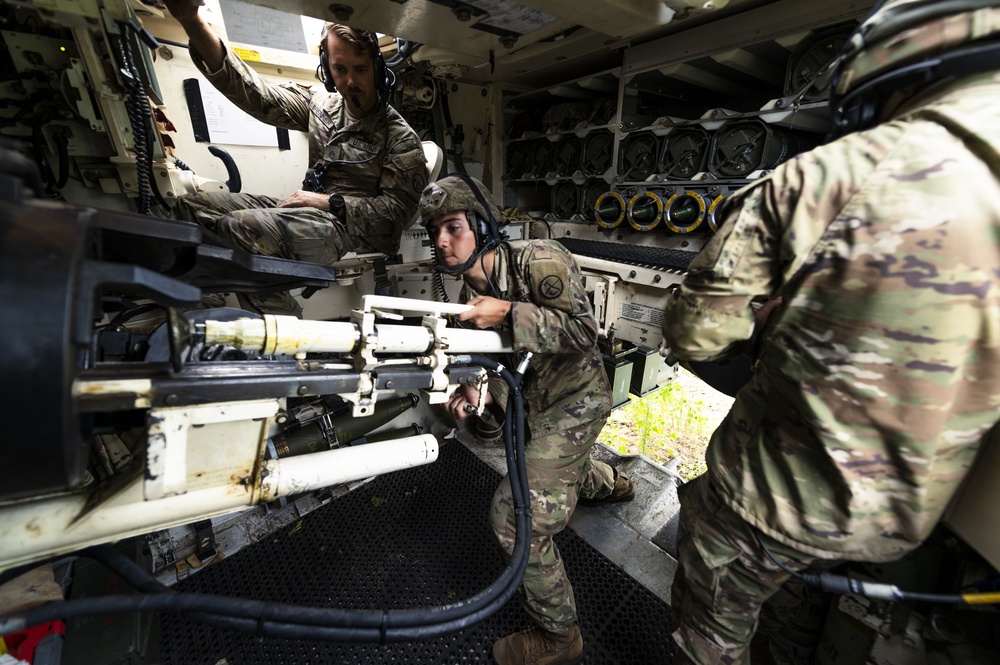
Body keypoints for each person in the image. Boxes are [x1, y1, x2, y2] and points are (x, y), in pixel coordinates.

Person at [660, 1, 1000, 663]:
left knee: (711, 620)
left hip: (774, 500)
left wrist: (777, 318)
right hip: (910, 514)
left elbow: (695, 334)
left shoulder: (827, 177)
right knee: (809, 607)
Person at [419, 173, 635, 664]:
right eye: (434, 232)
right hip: (533, 407)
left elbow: (584, 332)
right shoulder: (465, 308)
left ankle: (560, 637)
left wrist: (508, 312)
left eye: (453, 226)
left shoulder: (538, 259)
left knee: (513, 520)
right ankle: (610, 483)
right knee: (554, 469)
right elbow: (498, 387)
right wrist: (477, 403)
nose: (442, 242)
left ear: (481, 226)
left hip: (575, 400)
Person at [163, 0, 426, 315]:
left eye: (361, 70)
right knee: (190, 207)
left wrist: (329, 203)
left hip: (352, 230)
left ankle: (287, 325)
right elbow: (257, 96)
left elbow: (395, 216)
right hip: (308, 212)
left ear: (378, 69)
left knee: (242, 226)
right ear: (327, 67)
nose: (351, 82)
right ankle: (204, 313)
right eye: (340, 69)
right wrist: (190, 20)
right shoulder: (321, 106)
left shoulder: (400, 137)